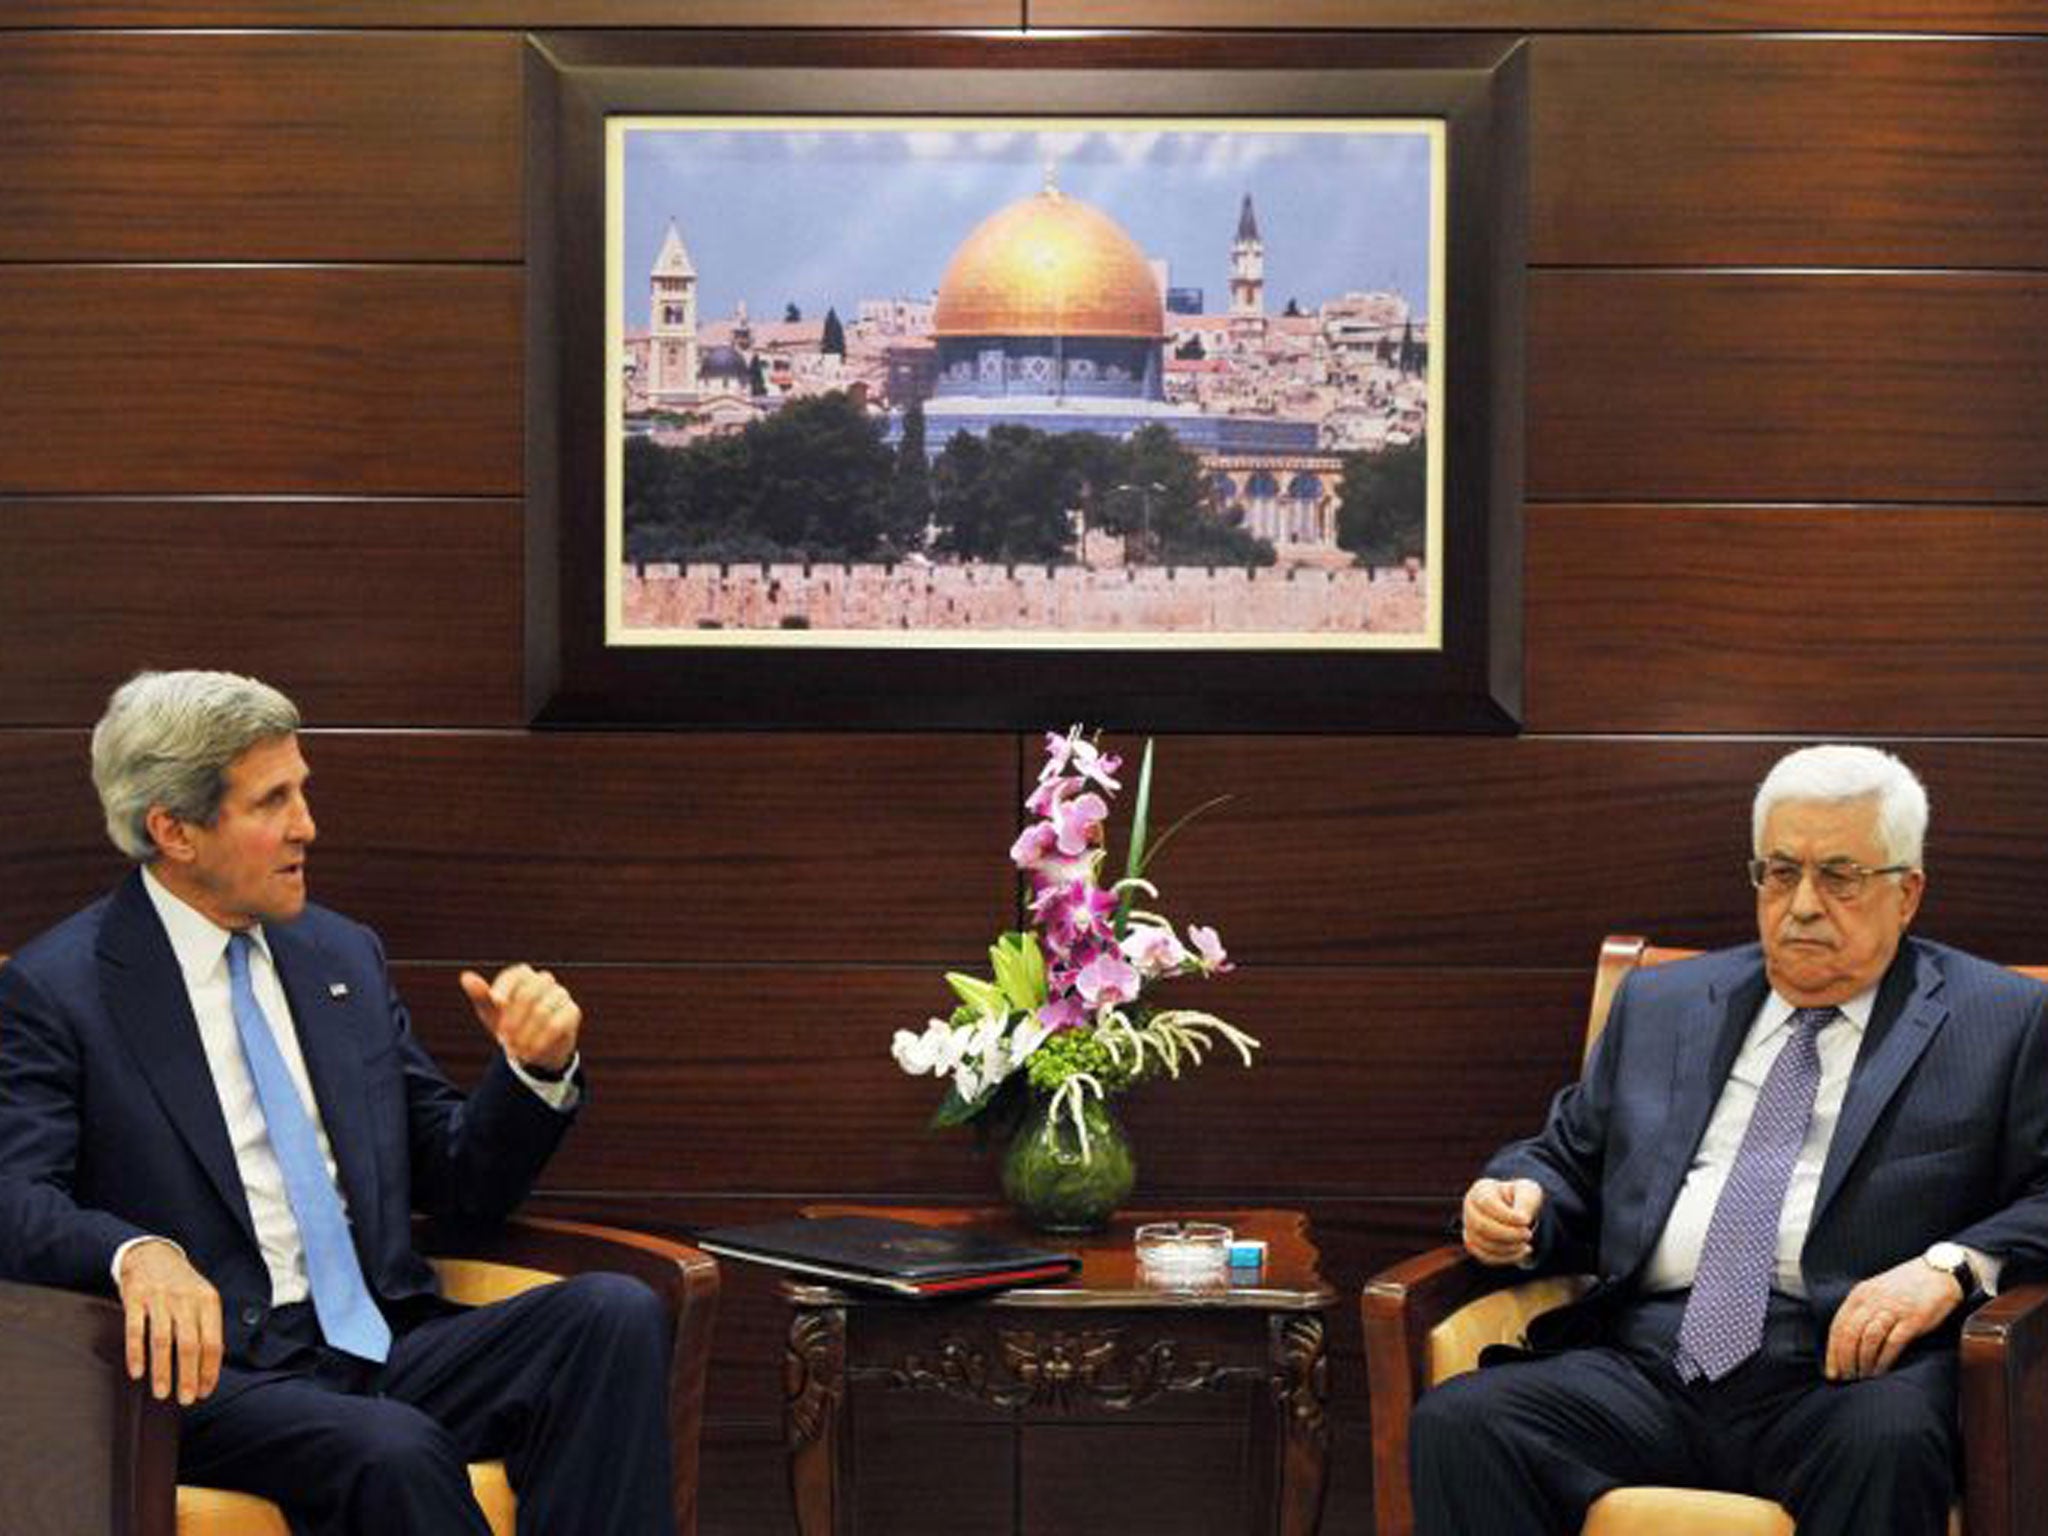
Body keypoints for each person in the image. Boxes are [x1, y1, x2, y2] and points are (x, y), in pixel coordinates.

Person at [0, 670, 675, 1535]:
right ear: (174, 830)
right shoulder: (62, 989)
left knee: (612, 1315)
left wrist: (532, 1074)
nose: (307, 827)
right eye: (272, 801)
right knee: (393, 1450)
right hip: (217, 1377)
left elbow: (458, 1177)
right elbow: (16, 1199)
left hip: (378, 1339)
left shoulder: (339, 956)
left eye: (302, 792)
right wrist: (135, 1252)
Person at [1411, 743, 2048, 1536]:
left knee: (1891, 1442)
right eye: (1780, 873)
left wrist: (1949, 1268)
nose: (1804, 905)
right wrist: (1519, 1200)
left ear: (1907, 893)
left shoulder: (2000, 1021)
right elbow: (1569, 1156)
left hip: (1841, 1373)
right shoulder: (1664, 1004)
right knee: (1464, 1422)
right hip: (1651, 1358)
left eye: (1839, 877)